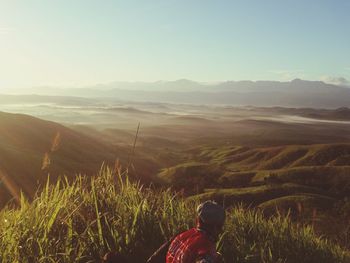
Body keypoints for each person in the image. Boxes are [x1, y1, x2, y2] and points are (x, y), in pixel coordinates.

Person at [147, 200, 225, 263]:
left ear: (197, 220)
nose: (221, 230)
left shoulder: (180, 236)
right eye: (220, 226)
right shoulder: (206, 250)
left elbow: (153, 259)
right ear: (215, 227)